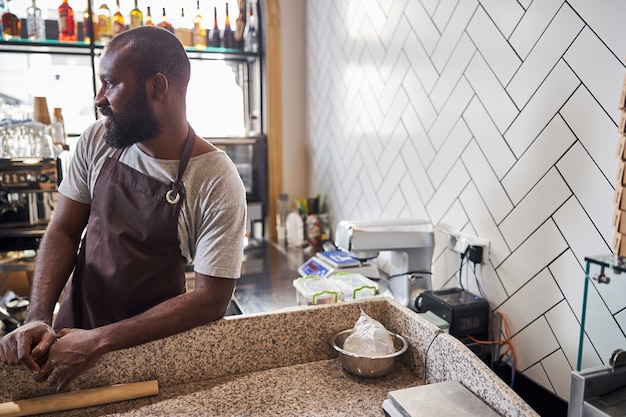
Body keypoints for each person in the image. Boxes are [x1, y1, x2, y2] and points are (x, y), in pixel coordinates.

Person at [0, 26, 247, 391]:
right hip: (69, 338)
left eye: (111, 83)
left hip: (149, 358)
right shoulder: (98, 139)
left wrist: (99, 341)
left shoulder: (215, 179)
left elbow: (211, 298)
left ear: (156, 88)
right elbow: (64, 230)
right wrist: (38, 318)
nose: (99, 98)